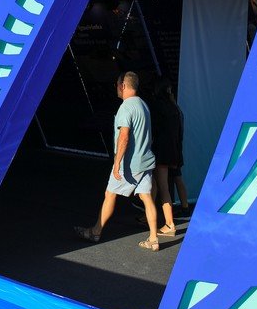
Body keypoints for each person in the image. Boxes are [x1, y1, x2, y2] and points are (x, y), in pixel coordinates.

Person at [75, 71, 160, 251]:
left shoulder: (126, 108)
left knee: (110, 194)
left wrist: (117, 163)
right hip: (145, 160)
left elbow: (124, 136)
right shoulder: (143, 105)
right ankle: (153, 238)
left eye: (117, 85)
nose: (116, 88)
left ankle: (95, 232)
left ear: (123, 86)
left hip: (130, 164)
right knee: (147, 197)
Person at [152, 78, 190, 218]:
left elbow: (154, 129)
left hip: (162, 151)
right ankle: (185, 207)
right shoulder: (175, 109)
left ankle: (155, 214)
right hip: (175, 149)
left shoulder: (157, 107)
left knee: (159, 185)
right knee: (177, 178)